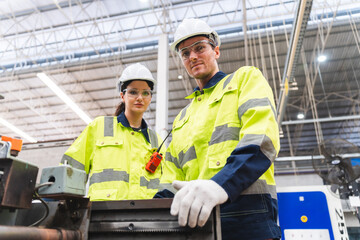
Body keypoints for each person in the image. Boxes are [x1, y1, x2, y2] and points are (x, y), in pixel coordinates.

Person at [158, 18, 281, 240]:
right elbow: (171, 175)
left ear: (216, 50)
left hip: (247, 216)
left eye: (199, 48)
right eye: (185, 53)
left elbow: (262, 140)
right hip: (197, 221)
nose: (192, 56)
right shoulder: (182, 117)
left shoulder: (245, 79)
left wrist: (221, 184)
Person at [61, 63, 164, 201]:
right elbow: (72, 168)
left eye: (145, 93)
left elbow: (166, 181)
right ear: (123, 95)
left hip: (145, 215)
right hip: (103, 214)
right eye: (133, 92)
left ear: (150, 98)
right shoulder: (99, 127)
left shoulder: (155, 140)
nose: (140, 97)